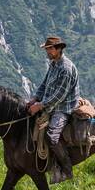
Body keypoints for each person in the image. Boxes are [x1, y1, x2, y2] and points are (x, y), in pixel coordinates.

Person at [26, 35, 79, 180]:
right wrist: (35, 98)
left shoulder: (66, 68)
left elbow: (59, 96)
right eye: (47, 49)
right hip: (51, 104)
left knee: (52, 137)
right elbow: (44, 85)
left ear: (58, 49)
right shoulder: (54, 64)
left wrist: (40, 105)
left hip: (63, 107)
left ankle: (67, 171)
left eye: (50, 49)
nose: (47, 52)